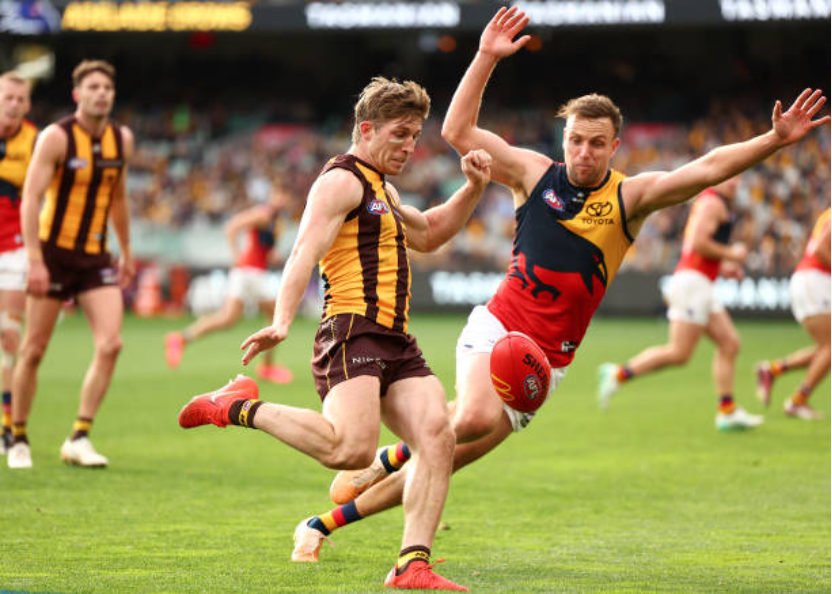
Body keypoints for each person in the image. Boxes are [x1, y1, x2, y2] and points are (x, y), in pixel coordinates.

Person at [299, 6, 830, 560]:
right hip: (499, 329)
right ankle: (391, 470)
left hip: (545, 364)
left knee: (450, 454)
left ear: (614, 146)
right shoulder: (534, 173)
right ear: (565, 137)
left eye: (597, 144)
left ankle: (324, 522)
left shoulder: (630, 198)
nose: (583, 152)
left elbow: (705, 168)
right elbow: (457, 131)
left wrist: (772, 141)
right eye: (576, 140)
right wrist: (484, 57)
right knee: (470, 419)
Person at [178, 76, 493, 591]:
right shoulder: (341, 181)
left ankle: (412, 566)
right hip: (352, 332)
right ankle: (236, 405)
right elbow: (304, 249)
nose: (410, 146)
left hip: (395, 339)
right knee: (349, 452)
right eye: (399, 134)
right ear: (366, 129)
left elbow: (431, 233)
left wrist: (474, 187)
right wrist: (281, 320)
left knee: (437, 434)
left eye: (414, 136)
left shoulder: (384, 189)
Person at [7, 60, 135, 469]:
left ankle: (79, 436)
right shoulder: (55, 138)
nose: (102, 94)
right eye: (93, 87)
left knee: (112, 343)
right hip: (52, 253)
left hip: (94, 255)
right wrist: (34, 259)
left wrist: (127, 250)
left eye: (107, 88)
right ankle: (18, 435)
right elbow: (30, 199)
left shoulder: (122, 140)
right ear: (77, 94)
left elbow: (118, 199)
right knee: (33, 349)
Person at [597, 175, 764, 430]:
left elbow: (697, 250)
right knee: (679, 353)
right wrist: (731, 253)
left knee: (729, 343)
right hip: (692, 285)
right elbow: (697, 243)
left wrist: (723, 267)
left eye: (738, 179)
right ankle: (618, 374)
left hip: (699, 283)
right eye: (729, 177)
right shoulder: (713, 203)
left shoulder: (711, 202)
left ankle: (727, 411)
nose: (734, 183)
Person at [165, 181, 294, 384]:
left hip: (250, 273)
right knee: (276, 314)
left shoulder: (275, 220)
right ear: (273, 195)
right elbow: (232, 226)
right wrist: (235, 255)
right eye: (280, 194)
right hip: (250, 273)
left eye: (285, 196)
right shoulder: (263, 214)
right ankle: (267, 367)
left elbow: (262, 246)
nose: (283, 200)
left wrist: (272, 255)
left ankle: (181, 339)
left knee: (228, 319)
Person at [756, 208, 830, 420]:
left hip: (814, 279)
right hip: (816, 279)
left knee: (825, 348)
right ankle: (798, 401)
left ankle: (773, 370)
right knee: (829, 347)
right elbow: (820, 250)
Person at [0, 71, 37, 454]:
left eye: (20, 99)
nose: (14, 104)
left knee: (9, 338)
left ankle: (6, 425)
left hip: (13, 250)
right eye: (8, 97)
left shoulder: (34, 141)